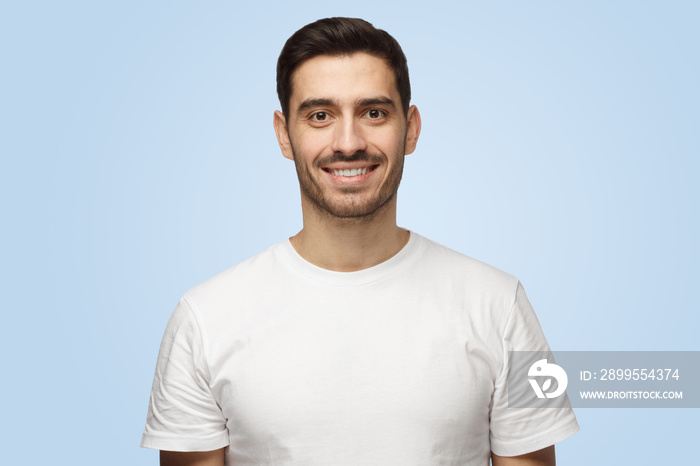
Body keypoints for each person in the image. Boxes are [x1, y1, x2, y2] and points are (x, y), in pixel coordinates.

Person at [141, 17, 579, 466]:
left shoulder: (502, 305)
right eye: (320, 116)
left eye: (373, 113)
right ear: (283, 133)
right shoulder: (204, 320)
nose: (348, 143)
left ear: (410, 128)